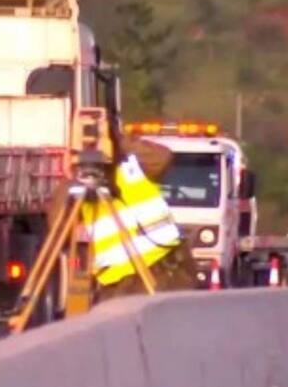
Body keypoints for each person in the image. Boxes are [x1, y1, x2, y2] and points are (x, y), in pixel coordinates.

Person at [47, 125, 199, 304]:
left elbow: (164, 157)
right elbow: (58, 236)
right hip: (119, 287)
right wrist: (69, 181)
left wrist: (118, 141)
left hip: (168, 272)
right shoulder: (74, 191)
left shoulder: (132, 167)